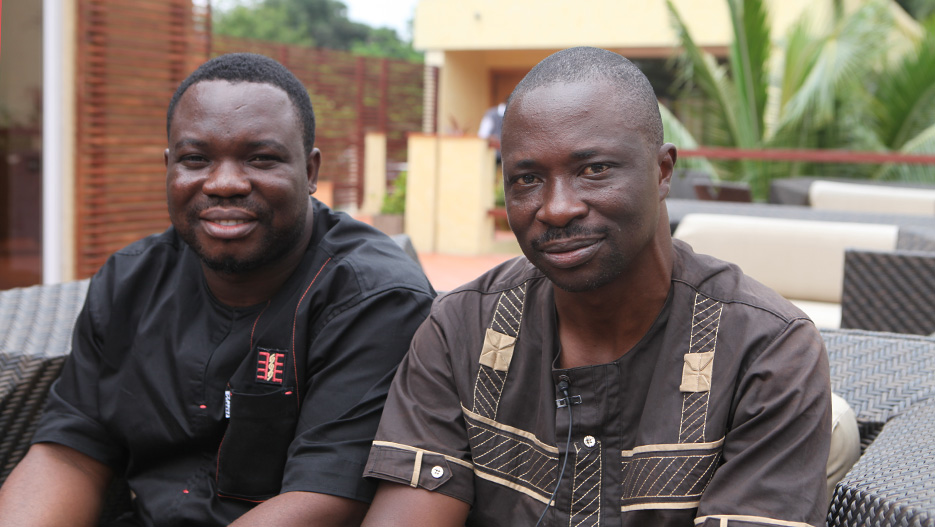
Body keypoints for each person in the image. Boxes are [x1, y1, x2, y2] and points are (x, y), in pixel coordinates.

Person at [362, 47, 833, 527]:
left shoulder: (766, 351)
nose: (557, 208)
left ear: (663, 170)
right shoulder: (462, 328)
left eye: (594, 170)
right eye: (527, 179)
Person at [0, 53, 435, 527]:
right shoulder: (130, 282)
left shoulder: (374, 299)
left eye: (261, 158)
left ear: (310, 172)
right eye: (196, 159)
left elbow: (328, 497)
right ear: (169, 168)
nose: (224, 183)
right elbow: (70, 453)